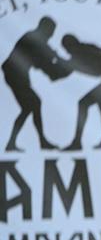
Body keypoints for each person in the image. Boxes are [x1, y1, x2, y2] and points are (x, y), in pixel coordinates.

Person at [3, 16, 67, 151]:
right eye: (51, 32)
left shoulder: (36, 39)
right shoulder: (33, 38)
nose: (51, 36)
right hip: (14, 74)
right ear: (44, 28)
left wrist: (58, 61)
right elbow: (44, 59)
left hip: (17, 75)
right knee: (34, 104)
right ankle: (40, 142)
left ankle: (13, 143)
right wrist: (63, 65)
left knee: (29, 107)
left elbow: (47, 54)